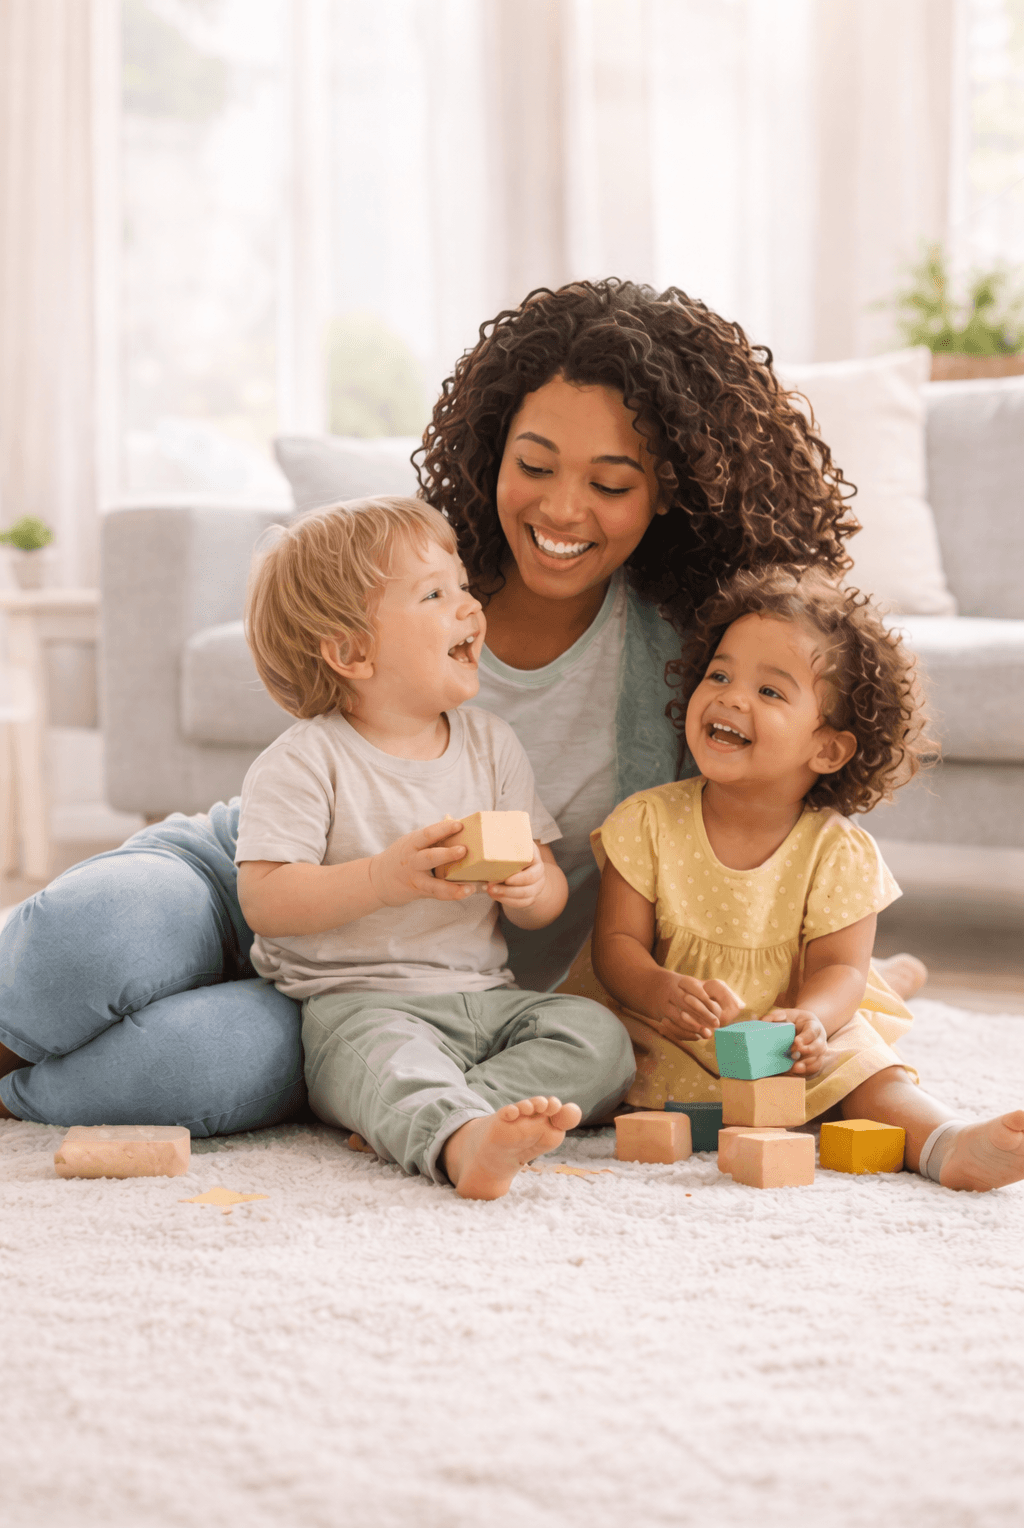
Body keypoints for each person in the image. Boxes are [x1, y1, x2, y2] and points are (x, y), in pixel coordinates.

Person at [0, 278, 921, 1134]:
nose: (563, 510)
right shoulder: (429, 566)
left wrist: (850, 998)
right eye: (535, 464)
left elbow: (765, 866)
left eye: (610, 483)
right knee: (85, 948)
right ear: (492, 451)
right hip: (257, 880)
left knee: (196, 1071)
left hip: (413, 994)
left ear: (668, 495)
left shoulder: (698, 662)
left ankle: (21, 1094)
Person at [235, 495, 633, 1198]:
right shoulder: (306, 760)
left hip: (487, 998)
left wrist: (531, 888)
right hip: (361, 1005)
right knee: (386, 1059)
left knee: (599, 1039)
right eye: (434, 593)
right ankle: (457, 1140)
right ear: (352, 651)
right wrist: (384, 879)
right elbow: (265, 900)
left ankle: (441, 1113)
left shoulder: (491, 744)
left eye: (463, 586)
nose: (470, 607)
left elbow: (546, 896)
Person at [587, 566, 1024, 1191]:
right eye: (720, 674)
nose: (732, 696)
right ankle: (894, 977)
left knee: (868, 1065)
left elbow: (839, 971)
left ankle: (947, 1145)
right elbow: (615, 947)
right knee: (596, 1056)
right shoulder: (646, 822)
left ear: (828, 750)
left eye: (770, 692)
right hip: (671, 1031)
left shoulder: (837, 852)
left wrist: (812, 1019)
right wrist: (658, 990)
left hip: (788, 1038)